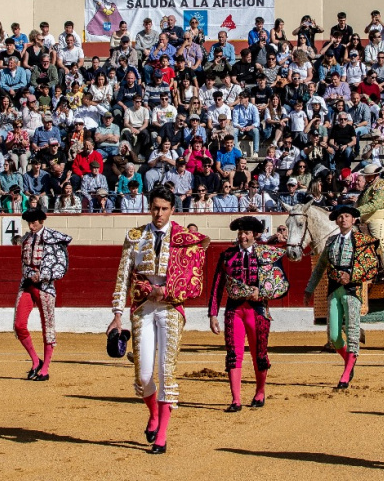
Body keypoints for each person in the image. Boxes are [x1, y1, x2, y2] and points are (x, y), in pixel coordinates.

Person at [107, 186, 209, 454]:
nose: (159, 214)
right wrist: (117, 315)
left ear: (173, 210)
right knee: (143, 376)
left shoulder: (185, 238)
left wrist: (167, 290)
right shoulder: (135, 236)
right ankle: (153, 413)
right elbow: (123, 276)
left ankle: (162, 434)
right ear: (149, 208)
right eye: (155, 208)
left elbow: (192, 277)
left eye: (164, 209)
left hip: (171, 308)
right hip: (143, 307)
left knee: (166, 371)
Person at [208, 216, 289, 412]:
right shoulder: (227, 255)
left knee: (259, 353)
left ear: (255, 235)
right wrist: (213, 314)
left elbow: (281, 284)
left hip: (257, 309)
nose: (242, 237)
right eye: (240, 233)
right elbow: (217, 285)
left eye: (246, 233)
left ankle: (260, 392)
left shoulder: (267, 255)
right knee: (233, 354)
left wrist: (261, 292)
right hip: (234, 310)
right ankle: (236, 399)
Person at [306, 204, 380, 390]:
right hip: (334, 290)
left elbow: (371, 266)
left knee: (353, 331)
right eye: (340, 216)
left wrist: (351, 276)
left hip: (353, 290)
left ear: (353, 220)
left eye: (347, 216)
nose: (343, 219)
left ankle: (346, 374)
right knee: (334, 336)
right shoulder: (331, 241)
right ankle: (349, 360)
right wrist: (309, 289)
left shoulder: (363, 241)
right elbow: (320, 267)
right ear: (336, 221)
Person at [16, 207, 73, 380]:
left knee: (48, 328)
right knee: (19, 325)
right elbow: (23, 265)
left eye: (33, 222)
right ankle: (36, 361)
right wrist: (29, 274)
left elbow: (61, 267)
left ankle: (45, 369)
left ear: (41, 221)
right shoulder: (26, 239)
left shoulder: (55, 239)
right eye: (29, 222)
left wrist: (42, 276)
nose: (30, 226)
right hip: (27, 285)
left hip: (46, 287)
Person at [355, 163, 384, 281]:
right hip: (364, 219)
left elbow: (375, 204)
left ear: (376, 175)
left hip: (379, 219)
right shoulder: (369, 187)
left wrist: (357, 211)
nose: (367, 178)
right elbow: (360, 203)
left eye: (369, 176)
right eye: (366, 176)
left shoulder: (383, 187)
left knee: (380, 239)